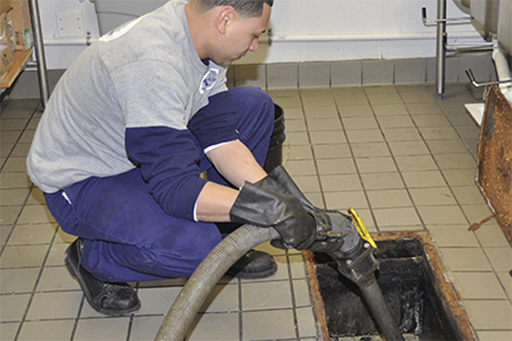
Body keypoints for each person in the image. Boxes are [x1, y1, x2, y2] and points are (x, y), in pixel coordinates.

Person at [26, 0, 319, 317]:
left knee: (253, 106)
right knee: (195, 247)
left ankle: (225, 242)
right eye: (253, 35)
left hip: (134, 148)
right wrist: (268, 210)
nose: (252, 47)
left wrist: (279, 198)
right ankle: (92, 256)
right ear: (225, 19)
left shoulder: (198, 31)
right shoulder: (152, 61)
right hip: (84, 178)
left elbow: (220, 138)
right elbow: (174, 189)